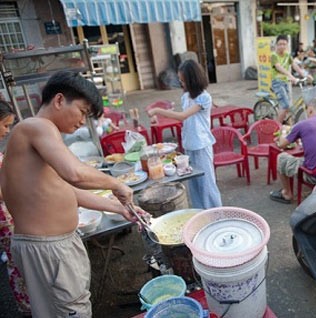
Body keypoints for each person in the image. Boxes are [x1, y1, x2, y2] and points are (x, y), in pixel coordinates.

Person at [0, 71, 143, 317]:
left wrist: (118, 208)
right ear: (59, 100)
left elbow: (68, 190)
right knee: (72, 310)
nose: (81, 121)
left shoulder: (37, 135)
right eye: (82, 111)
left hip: (48, 246)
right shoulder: (36, 126)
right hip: (49, 248)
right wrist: (115, 184)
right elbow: (74, 173)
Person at [147, 60, 222, 209]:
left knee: (207, 183)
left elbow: (183, 116)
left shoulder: (204, 97)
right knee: (193, 183)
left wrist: (157, 110)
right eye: (180, 80)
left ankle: (216, 214)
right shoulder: (186, 96)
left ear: (193, 80)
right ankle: (200, 213)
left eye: (183, 80)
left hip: (201, 144)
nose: (182, 83)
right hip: (189, 144)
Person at [269, 97, 316, 204]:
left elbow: (282, 144)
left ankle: (287, 193)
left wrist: (283, 130)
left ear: (310, 109)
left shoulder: (302, 124)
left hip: (314, 175)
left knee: (281, 157)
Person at [0, 101, 31, 316]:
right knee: (17, 261)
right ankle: (29, 307)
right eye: (4, 125)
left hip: (11, 211)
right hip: (4, 218)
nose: (7, 131)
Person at [271, 34, 308, 124]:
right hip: (277, 83)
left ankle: (285, 122)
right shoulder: (274, 56)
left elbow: (294, 65)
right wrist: (291, 76)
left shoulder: (287, 55)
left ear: (287, 45)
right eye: (280, 44)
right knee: (285, 105)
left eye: (284, 44)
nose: (282, 46)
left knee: (288, 106)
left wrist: (305, 74)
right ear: (276, 45)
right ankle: (277, 127)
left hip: (285, 82)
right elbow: (279, 68)